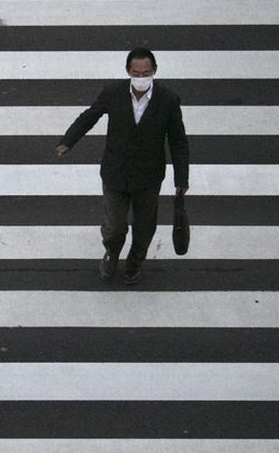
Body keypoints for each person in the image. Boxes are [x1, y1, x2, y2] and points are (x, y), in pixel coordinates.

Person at [57, 47, 190, 285]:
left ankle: (135, 262)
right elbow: (90, 116)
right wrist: (68, 141)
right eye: (136, 73)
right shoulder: (113, 92)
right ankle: (112, 252)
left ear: (155, 71)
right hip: (115, 173)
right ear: (128, 71)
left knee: (144, 229)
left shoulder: (168, 100)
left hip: (148, 177)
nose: (141, 77)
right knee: (115, 227)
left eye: (146, 72)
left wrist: (182, 180)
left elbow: (178, 142)